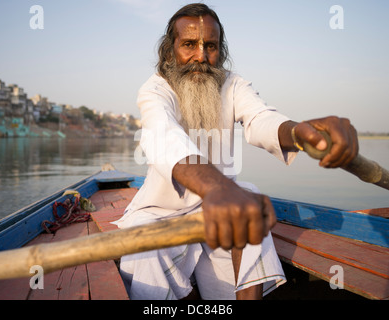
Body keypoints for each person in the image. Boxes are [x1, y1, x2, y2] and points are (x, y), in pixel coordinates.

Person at [112, 3, 358, 300]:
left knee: (247, 201)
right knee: (146, 254)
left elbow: (260, 118)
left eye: (210, 46)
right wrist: (218, 189)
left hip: (223, 206)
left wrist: (299, 133)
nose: (201, 56)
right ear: (170, 51)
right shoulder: (156, 89)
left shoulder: (232, 85)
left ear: (220, 51)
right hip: (160, 211)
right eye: (189, 44)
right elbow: (163, 136)